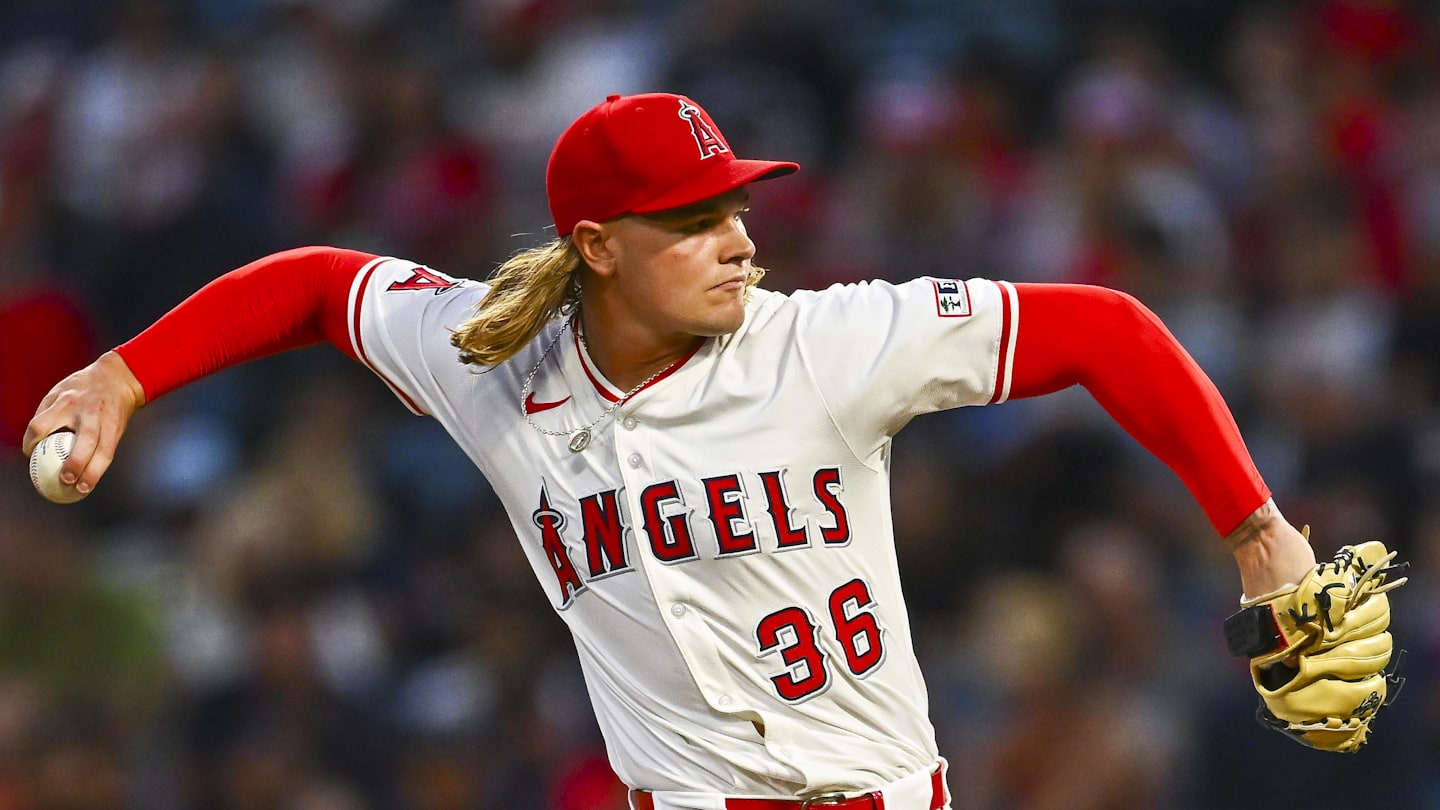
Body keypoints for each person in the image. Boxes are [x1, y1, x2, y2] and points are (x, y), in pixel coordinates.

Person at [26, 92, 1318, 809]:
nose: (742, 242)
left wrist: (1257, 528)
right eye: (694, 222)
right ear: (596, 247)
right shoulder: (494, 356)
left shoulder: (825, 342)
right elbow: (317, 285)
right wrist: (122, 372)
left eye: (738, 209)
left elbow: (1105, 329)